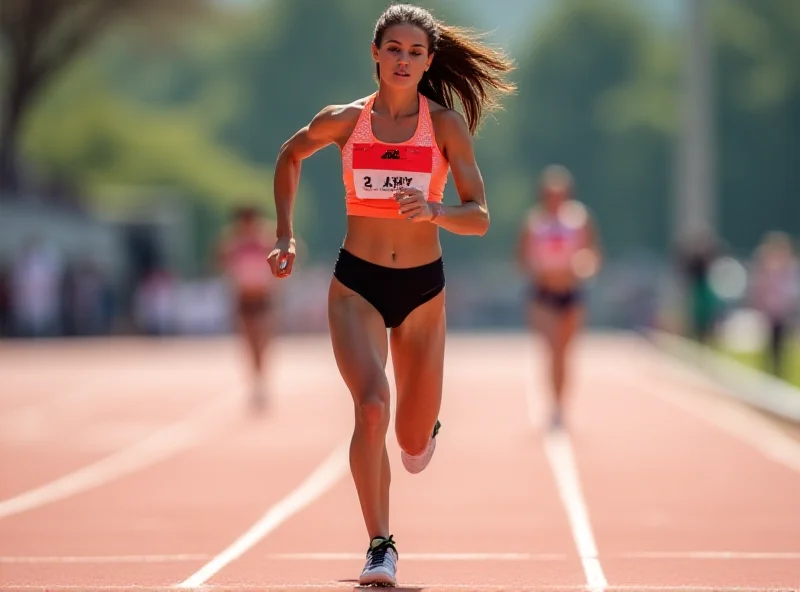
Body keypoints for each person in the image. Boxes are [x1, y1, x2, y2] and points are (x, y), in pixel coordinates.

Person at [266, 4, 515, 586]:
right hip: (358, 284)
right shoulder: (345, 121)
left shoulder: (445, 126)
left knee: (408, 438)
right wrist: (285, 232)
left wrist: (436, 210)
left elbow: (479, 216)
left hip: (423, 291)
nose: (404, 60)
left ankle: (425, 425)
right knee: (372, 404)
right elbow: (290, 154)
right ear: (375, 54)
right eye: (395, 49)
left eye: (416, 52)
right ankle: (381, 544)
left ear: (429, 62)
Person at [516, 165, 602, 431]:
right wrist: (537, 269)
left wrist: (582, 267)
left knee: (564, 353)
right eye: (549, 193)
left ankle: (560, 405)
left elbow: (592, 254)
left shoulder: (579, 218)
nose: (554, 198)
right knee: (552, 350)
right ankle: (553, 406)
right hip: (543, 294)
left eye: (559, 192)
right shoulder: (534, 222)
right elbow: (521, 258)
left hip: (571, 292)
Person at [217, 205, 278, 412]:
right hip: (243, 298)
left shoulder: (267, 238)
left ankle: (261, 379)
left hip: (263, 298)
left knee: (262, 342)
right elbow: (220, 260)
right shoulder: (233, 241)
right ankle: (256, 381)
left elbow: (289, 253)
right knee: (250, 343)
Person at [747, 231, 800, 378]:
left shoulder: (790, 268)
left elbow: (792, 291)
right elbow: (758, 289)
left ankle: (778, 372)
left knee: (781, 346)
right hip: (770, 312)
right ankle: (768, 372)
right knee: (769, 345)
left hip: (782, 313)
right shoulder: (765, 268)